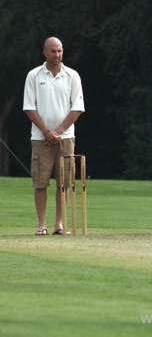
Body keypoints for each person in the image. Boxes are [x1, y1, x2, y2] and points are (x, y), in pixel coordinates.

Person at [23, 37, 85, 236]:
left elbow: (77, 108)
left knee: (64, 182)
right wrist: (46, 131)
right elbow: (29, 107)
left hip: (65, 138)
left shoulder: (72, 76)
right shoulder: (34, 75)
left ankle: (59, 224)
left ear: (63, 51)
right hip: (40, 138)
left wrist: (58, 131)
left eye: (59, 51)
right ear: (44, 52)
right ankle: (42, 225)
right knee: (41, 182)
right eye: (52, 51)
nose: (56, 55)